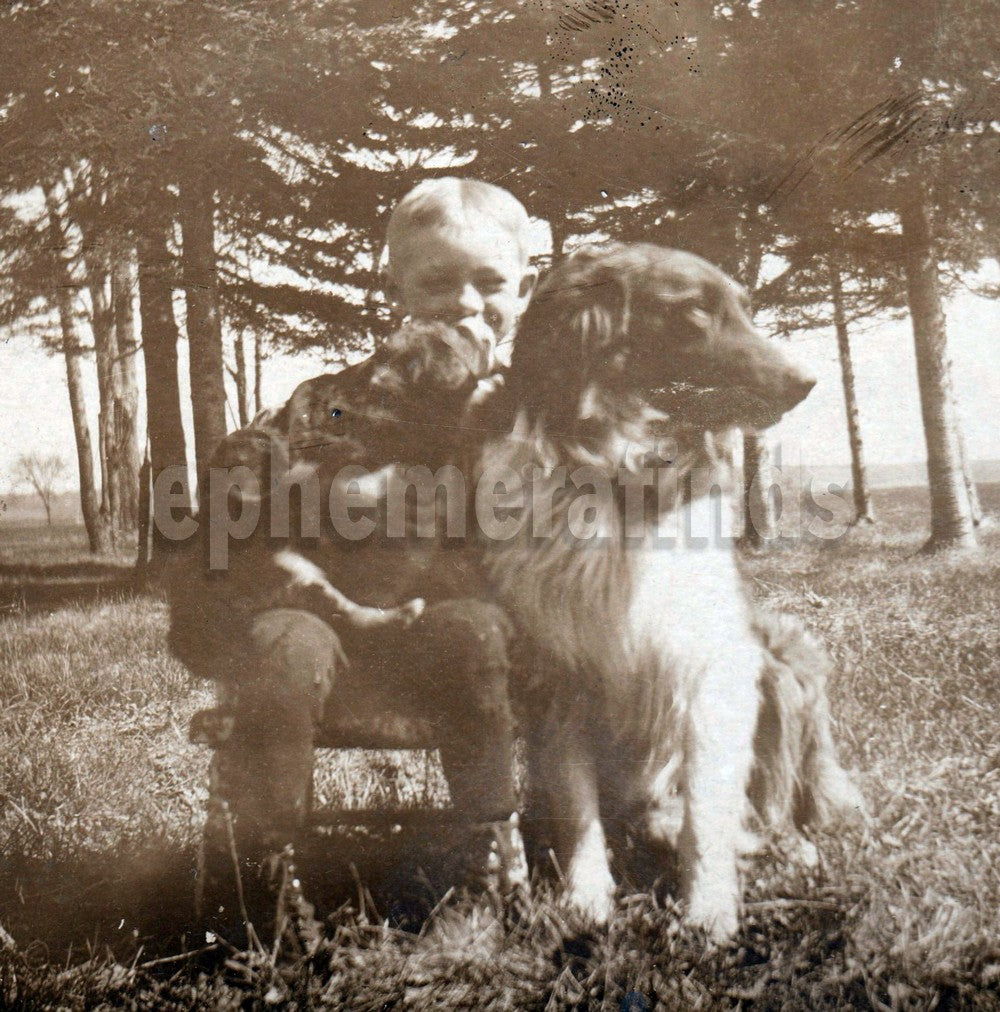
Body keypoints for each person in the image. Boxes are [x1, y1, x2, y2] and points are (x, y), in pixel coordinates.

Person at [173, 178, 539, 951]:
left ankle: (484, 851)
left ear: (526, 287)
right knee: (283, 644)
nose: (466, 305)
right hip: (322, 629)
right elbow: (251, 498)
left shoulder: (527, 412)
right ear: (394, 288)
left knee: (476, 629)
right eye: (438, 281)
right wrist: (337, 491)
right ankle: (261, 868)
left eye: (490, 283)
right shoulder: (336, 399)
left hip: (453, 642)